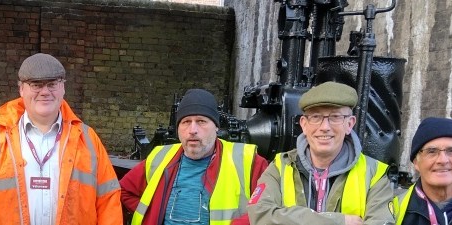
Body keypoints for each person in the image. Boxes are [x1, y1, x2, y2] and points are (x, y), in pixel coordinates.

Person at [0, 53, 122, 224]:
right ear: (21, 89)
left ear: (63, 88)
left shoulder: (87, 139)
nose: (45, 92)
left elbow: (108, 201)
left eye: (52, 84)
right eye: (36, 85)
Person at [247, 81, 394, 225]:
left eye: (335, 117)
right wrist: (337, 221)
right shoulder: (280, 167)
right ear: (304, 124)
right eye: (316, 117)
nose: (325, 127)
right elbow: (260, 215)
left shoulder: (375, 175)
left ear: (349, 124)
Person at [119, 88, 269, 225]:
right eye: (185, 122)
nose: (192, 130)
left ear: (216, 127)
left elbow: (267, 207)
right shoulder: (160, 157)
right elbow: (124, 191)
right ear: (178, 129)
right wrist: (152, 214)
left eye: (201, 121)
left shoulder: (248, 161)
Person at [392, 117, 452, 225]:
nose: (443, 160)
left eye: (451, 151)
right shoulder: (392, 211)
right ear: (416, 162)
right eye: (432, 151)